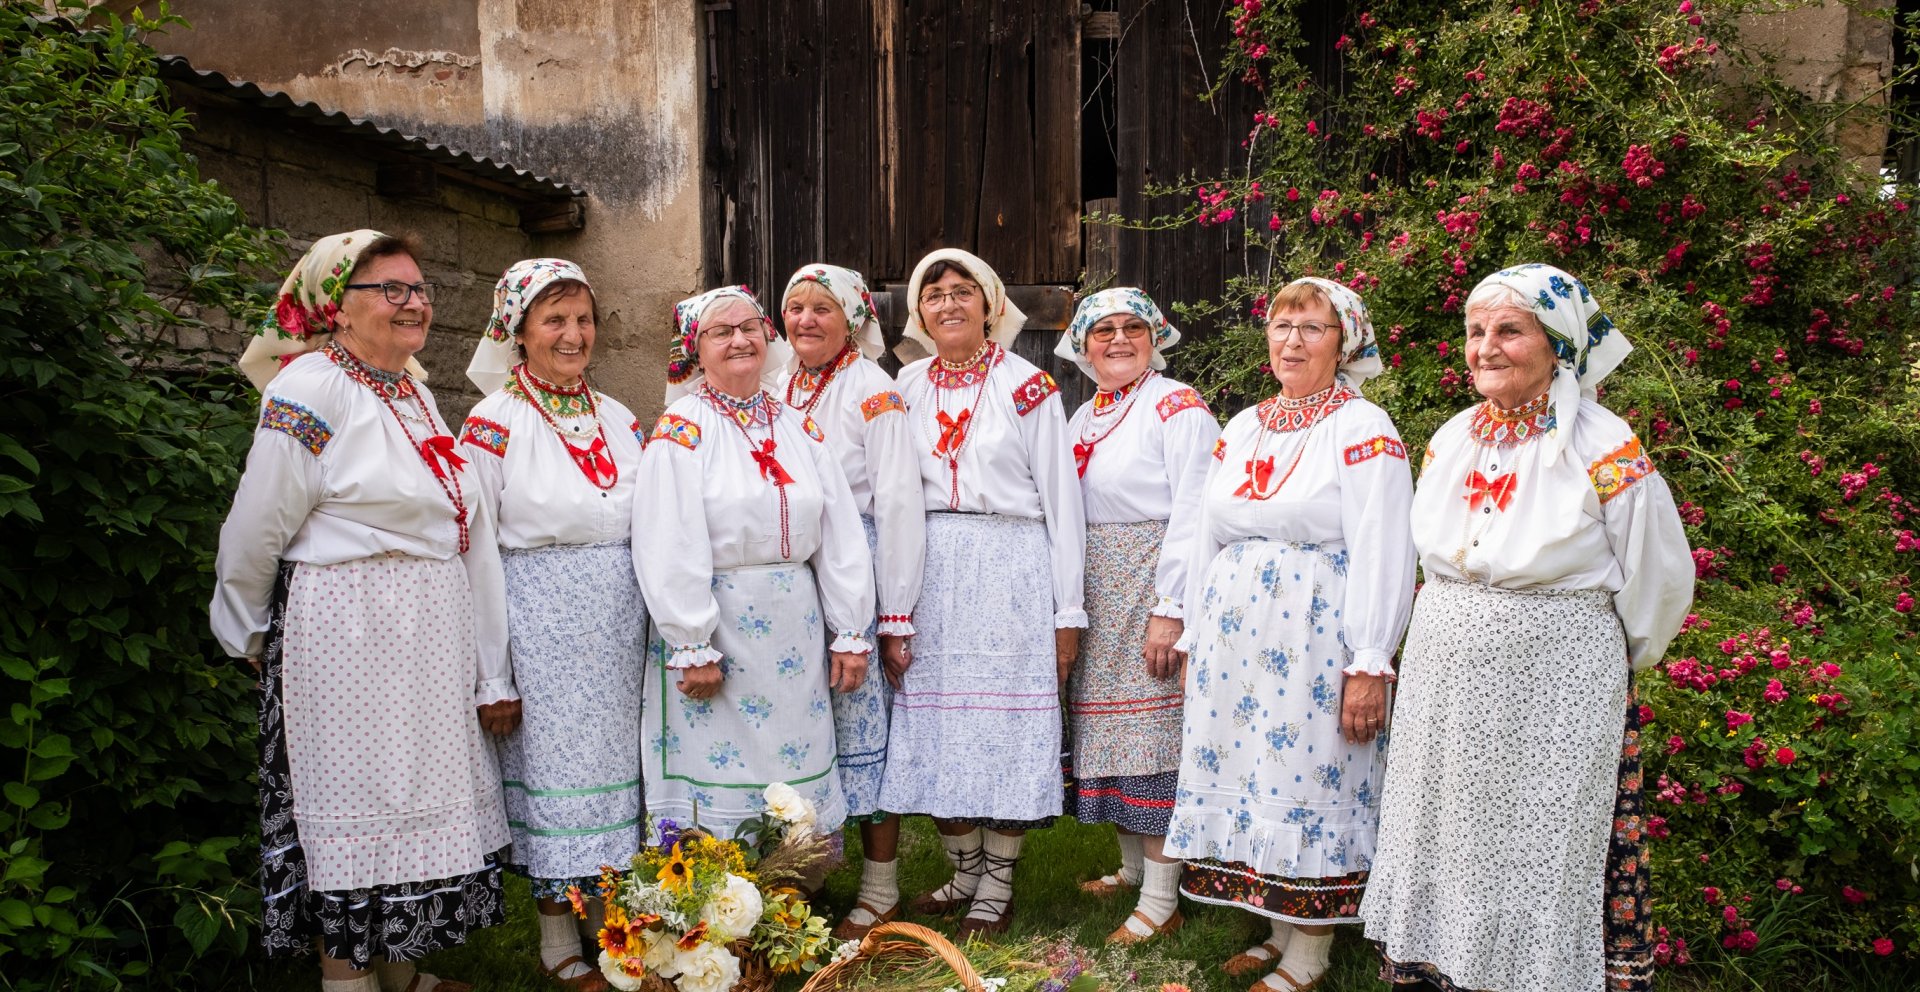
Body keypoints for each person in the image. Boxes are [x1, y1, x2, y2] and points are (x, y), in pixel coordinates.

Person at [1360, 263, 1693, 992]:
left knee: (1536, 842)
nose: (1485, 347)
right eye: (1476, 331)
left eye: (1509, 330)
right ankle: (1443, 971)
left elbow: (1658, 577)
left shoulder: (1604, 446)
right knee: (1449, 829)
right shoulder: (1451, 438)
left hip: (1555, 681)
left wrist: (1605, 657)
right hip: (1445, 671)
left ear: (1558, 344)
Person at [211, 230, 508, 992]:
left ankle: (406, 975)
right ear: (335, 309)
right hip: (350, 629)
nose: (415, 304)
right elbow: (259, 520)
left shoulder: (409, 386)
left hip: (422, 631)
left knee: (412, 805)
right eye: (392, 290)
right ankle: (349, 983)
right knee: (354, 808)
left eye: (419, 289)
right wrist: (244, 626)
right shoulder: (311, 387)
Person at [1165, 277, 1415, 991]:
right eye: (1281, 324)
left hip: (1314, 635)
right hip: (1235, 640)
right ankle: (1277, 930)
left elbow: (1384, 544)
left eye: (1312, 327)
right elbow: (1206, 533)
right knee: (1254, 777)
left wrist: (1370, 659)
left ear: (1347, 342)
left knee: (1308, 777)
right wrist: (1193, 636)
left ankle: (1310, 955)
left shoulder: (1365, 429)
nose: (1292, 340)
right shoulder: (1243, 425)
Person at [876, 248, 1087, 937]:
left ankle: (997, 883)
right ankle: (963, 866)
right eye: (933, 294)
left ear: (991, 305)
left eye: (963, 291)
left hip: (1010, 564)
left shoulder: (1027, 386)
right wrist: (894, 604)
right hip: (932, 565)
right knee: (937, 727)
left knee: (1001, 729)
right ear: (919, 312)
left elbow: (1062, 502)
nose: (948, 304)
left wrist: (1067, 612)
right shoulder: (904, 386)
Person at [461, 259, 646, 992]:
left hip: (618, 626)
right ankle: (555, 939)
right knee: (553, 779)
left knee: (613, 780)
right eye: (554, 320)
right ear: (517, 330)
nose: (573, 335)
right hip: (540, 625)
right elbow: (476, 549)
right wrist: (494, 674)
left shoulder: (621, 417)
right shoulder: (492, 424)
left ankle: (617, 924)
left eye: (582, 319)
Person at [633, 286, 875, 842]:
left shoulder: (798, 426)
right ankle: (719, 901)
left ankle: (793, 895)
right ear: (696, 350)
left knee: (793, 762)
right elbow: (666, 540)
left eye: (749, 327)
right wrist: (692, 641)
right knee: (722, 766)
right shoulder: (682, 429)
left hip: (795, 625)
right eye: (722, 332)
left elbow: (837, 534)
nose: (740, 340)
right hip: (722, 626)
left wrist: (850, 629)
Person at [1053, 288, 1219, 945]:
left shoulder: (1177, 407)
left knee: (1153, 742)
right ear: (1082, 346)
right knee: (1111, 740)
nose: (1118, 340)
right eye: (1103, 331)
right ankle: (1129, 869)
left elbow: (1197, 510)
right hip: (1098, 592)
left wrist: (1171, 609)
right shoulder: (1086, 413)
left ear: (1156, 337)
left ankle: (1161, 899)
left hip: (1150, 582)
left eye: (1133, 328)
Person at [774, 264, 926, 939]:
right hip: (788, 580)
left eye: (822, 309)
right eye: (795, 307)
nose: (805, 320)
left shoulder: (875, 392)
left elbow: (897, 505)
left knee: (864, 734)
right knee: (801, 732)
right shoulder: (777, 384)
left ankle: (880, 888)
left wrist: (892, 616)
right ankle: (801, 877)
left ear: (855, 319)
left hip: (853, 573)